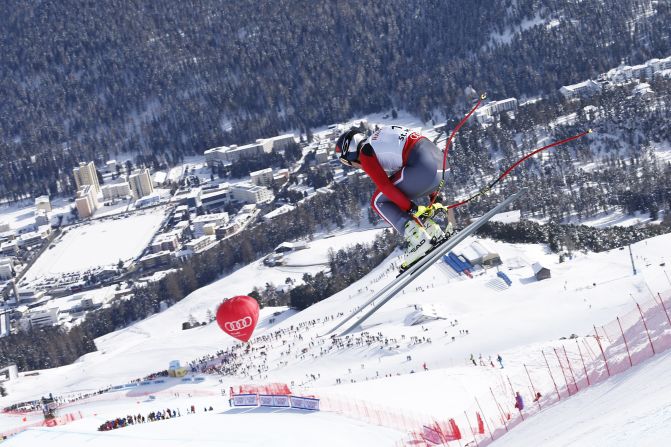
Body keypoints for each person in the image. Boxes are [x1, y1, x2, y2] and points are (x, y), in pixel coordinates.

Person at [335, 125, 451, 267]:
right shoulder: (381, 136)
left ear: (350, 153)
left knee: (379, 201)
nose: (351, 165)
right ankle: (431, 229)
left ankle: (418, 238)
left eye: (346, 162)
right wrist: (435, 197)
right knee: (397, 193)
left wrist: (411, 208)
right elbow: (422, 151)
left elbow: (385, 187)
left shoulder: (366, 152)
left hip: (425, 170)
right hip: (443, 168)